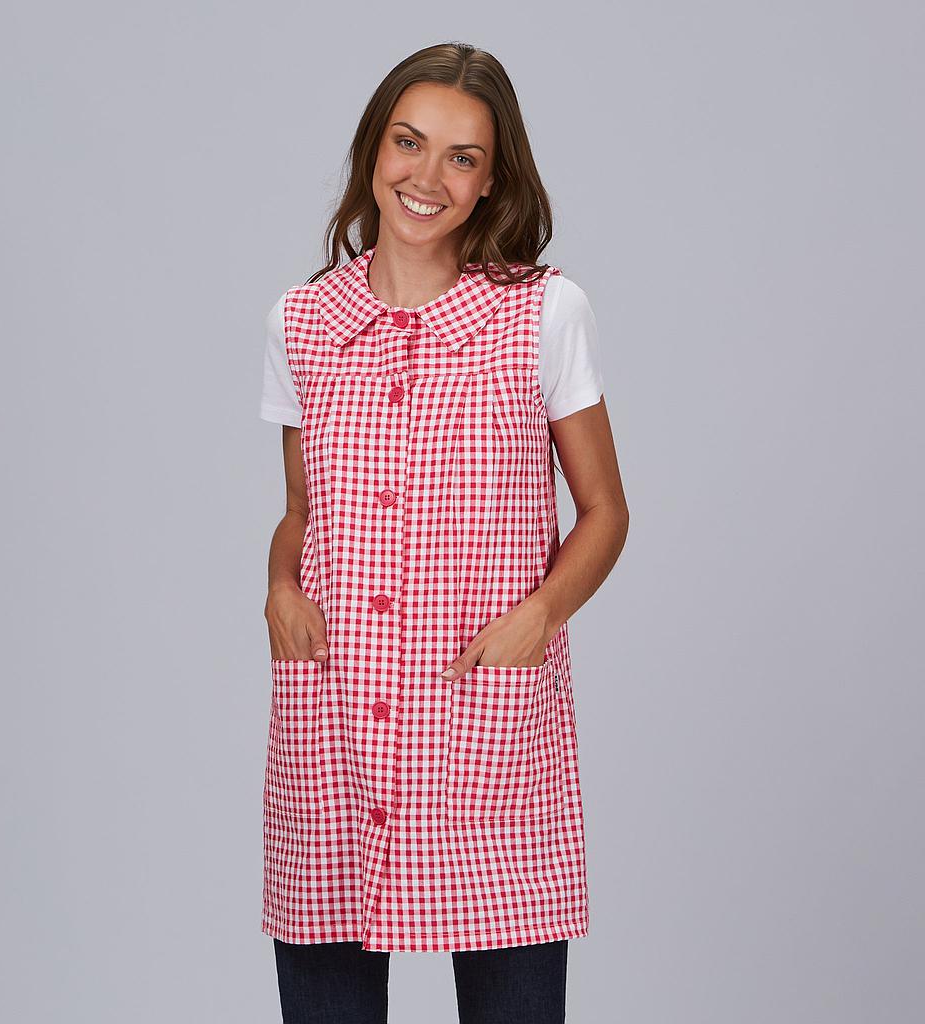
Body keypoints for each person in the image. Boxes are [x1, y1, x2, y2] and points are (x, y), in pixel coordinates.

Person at [257, 41, 629, 1024]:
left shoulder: (543, 313)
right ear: (373, 149)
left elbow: (605, 510)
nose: (427, 176)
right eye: (409, 142)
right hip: (336, 719)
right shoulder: (302, 321)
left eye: (462, 157)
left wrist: (538, 618)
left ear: (492, 179)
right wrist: (280, 590)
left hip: (483, 716)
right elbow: (302, 511)